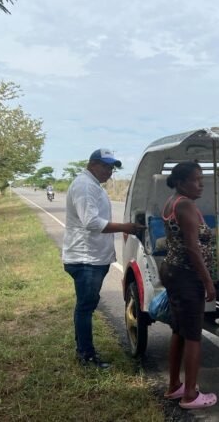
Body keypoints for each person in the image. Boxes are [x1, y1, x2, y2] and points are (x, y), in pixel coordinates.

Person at [63, 148, 145, 369]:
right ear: (92, 165)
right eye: (105, 166)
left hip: (92, 257)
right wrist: (125, 227)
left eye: (111, 168)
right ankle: (86, 355)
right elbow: (91, 222)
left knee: (86, 306)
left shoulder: (92, 185)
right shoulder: (85, 186)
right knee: (85, 307)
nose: (109, 171)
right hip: (86, 259)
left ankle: (83, 350)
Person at [159, 161, 218, 409]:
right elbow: (193, 249)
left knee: (179, 330)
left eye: (201, 179)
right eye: (196, 180)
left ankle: (175, 386)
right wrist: (207, 281)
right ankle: (190, 395)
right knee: (193, 335)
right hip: (187, 276)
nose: (201, 184)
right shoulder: (185, 205)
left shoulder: (172, 202)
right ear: (181, 182)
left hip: (174, 272)